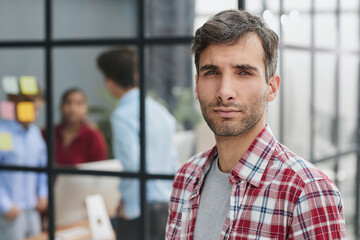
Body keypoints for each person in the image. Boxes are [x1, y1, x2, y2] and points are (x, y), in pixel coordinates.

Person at [166, 9, 346, 239]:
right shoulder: (185, 177)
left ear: (271, 88)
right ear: (196, 85)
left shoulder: (307, 191)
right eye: (212, 72)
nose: (225, 92)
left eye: (243, 72)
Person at [97, 47, 179, 240]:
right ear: (135, 75)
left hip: (141, 211)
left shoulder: (122, 116)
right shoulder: (161, 112)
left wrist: (131, 206)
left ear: (109, 81)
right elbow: (173, 161)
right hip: (166, 207)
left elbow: (134, 166)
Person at [0, 93, 48, 240]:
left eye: (38, 109)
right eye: (33, 109)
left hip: (32, 211)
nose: (36, 114)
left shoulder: (34, 133)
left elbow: (42, 166)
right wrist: (4, 205)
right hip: (10, 213)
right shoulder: (3, 134)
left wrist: (43, 193)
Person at [43, 88, 108, 166]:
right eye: (68, 103)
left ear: (86, 109)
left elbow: (99, 171)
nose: (73, 109)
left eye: (79, 103)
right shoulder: (47, 133)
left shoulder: (94, 137)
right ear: (61, 107)